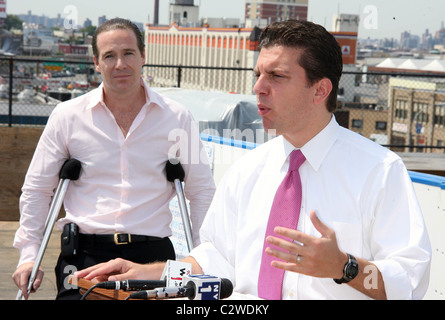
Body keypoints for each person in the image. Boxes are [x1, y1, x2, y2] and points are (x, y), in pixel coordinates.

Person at [75, 20, 431, 300]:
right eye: (258, 74)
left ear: (320, 89)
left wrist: (344, 267)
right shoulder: (247, 170)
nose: (259, 87)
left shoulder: (379, 171)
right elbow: (215, 258)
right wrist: (148, 272)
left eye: (276, 76)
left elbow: (409, 284)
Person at [12, 18, 215, 300]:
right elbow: (38, 189)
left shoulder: (177, 117)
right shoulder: (68, 117)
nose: (120, 64)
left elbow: (201, 189)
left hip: (152, 256)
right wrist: (28, 255)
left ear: (143, 56)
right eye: (109, 56)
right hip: (85, 256)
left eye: (128, 53)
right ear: (96, 62)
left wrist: (202, 258)